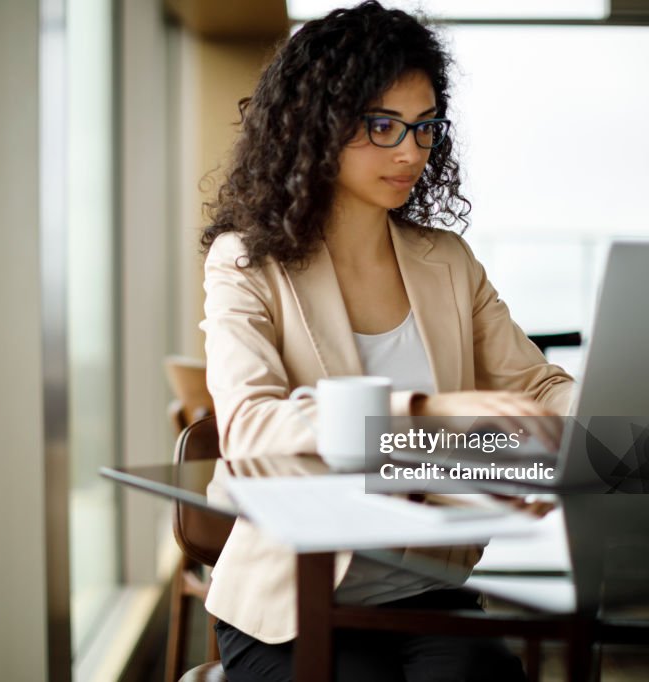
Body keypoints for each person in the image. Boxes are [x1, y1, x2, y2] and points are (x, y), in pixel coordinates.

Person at [198, 2, 575, 679]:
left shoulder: (447, 261)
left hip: (430, 591)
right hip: (292, 603)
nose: (410, 151)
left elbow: (541, 386)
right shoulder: (246, 261)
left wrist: (573, 423)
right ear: (314, 127)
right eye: (382, 126)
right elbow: (250, 426)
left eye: (425, 127)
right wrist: (427, 411)